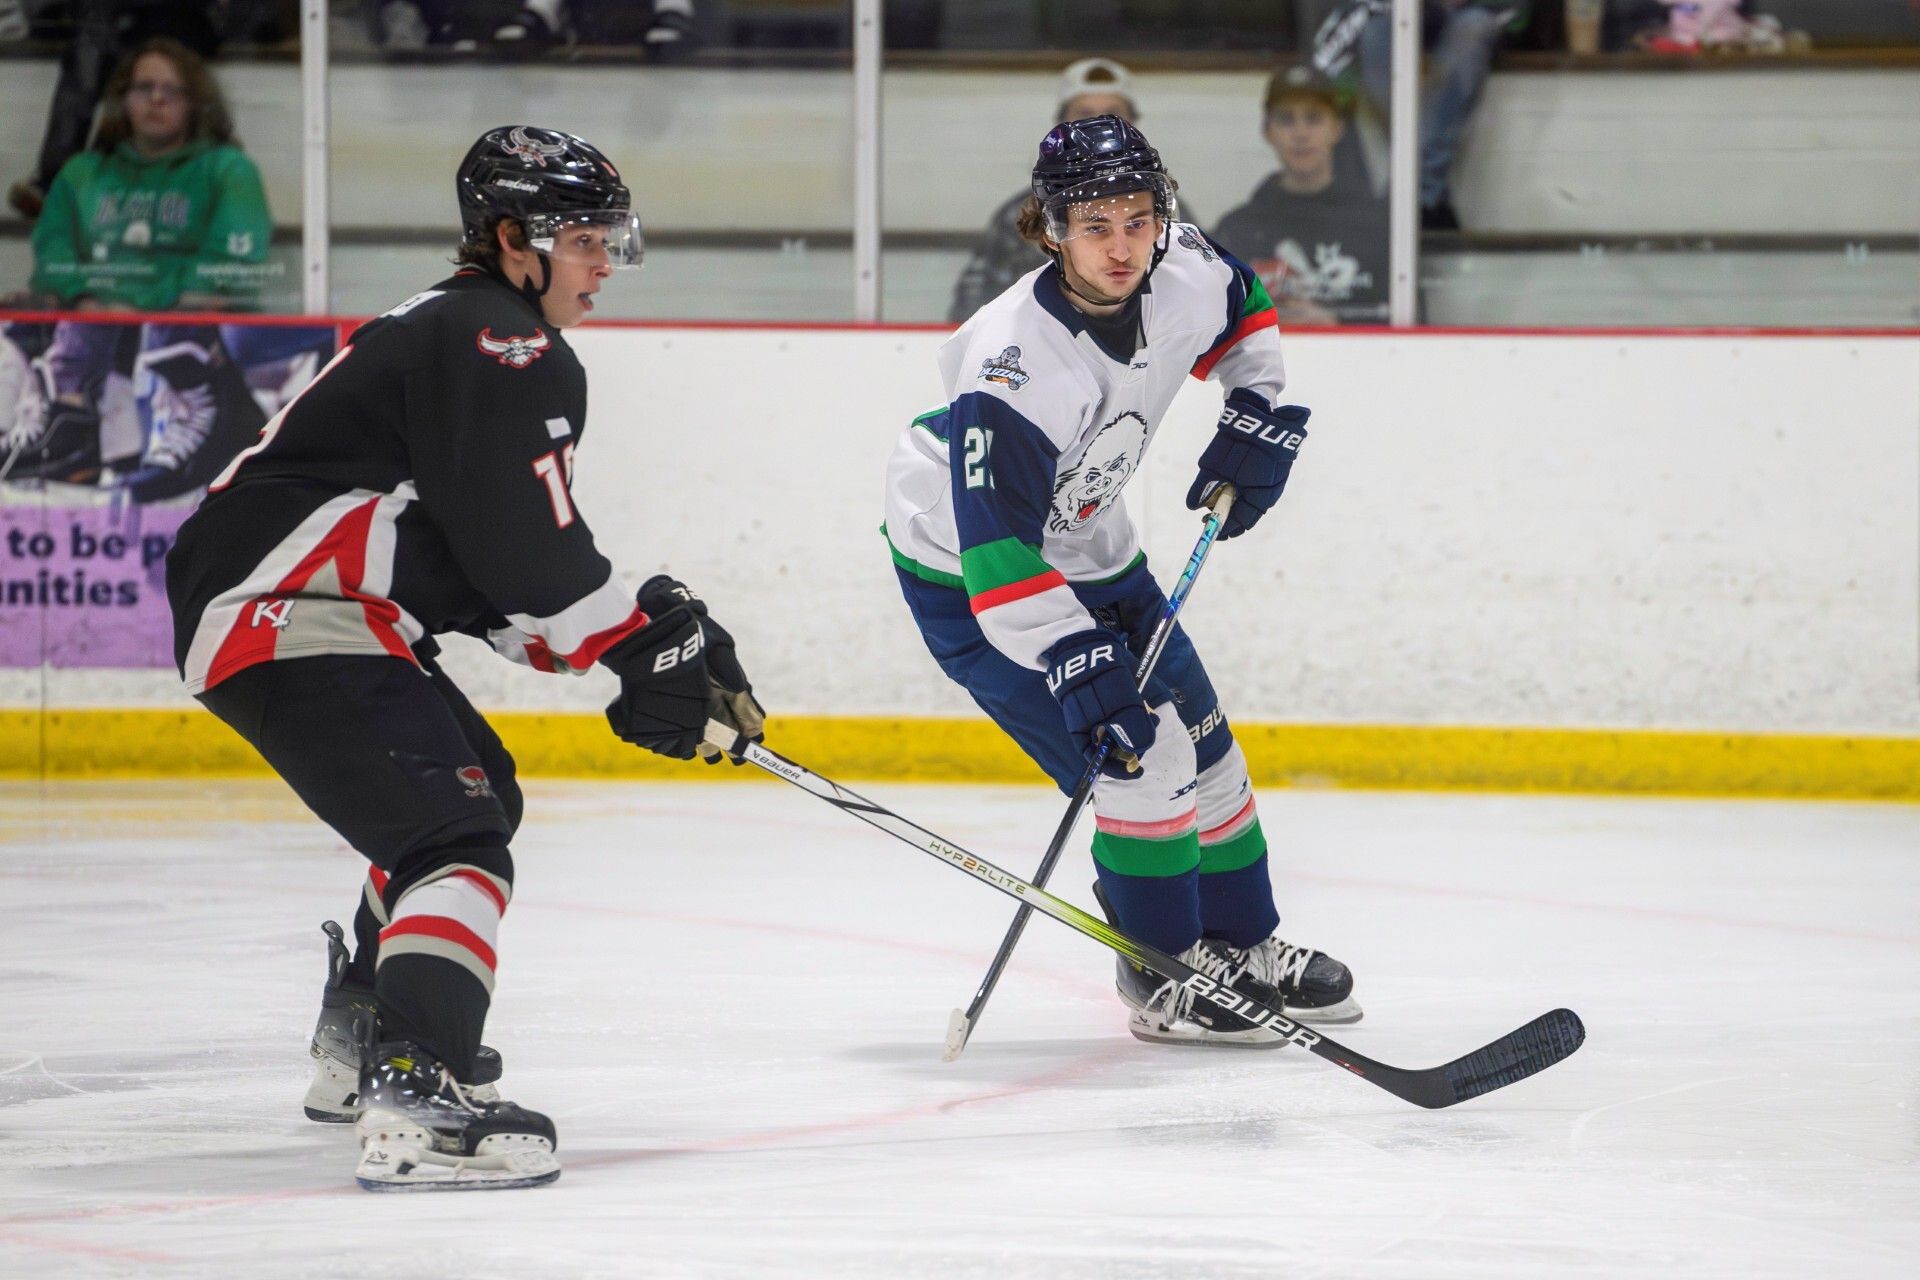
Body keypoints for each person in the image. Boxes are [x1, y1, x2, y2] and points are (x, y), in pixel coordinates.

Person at [164, 125, 767, 1191]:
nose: (602, 266)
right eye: (582, 239)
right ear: (510, 239)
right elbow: (526, 556)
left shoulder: (458, 330)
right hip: (289, 605)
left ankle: (364, 1031)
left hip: (315, 602)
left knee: (473, 794)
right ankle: (416, 1084)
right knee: (455, 834)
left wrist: (636, 632)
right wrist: (642, 639)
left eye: (610, 238)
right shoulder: (505, 340)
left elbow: (468, 563)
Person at [882, 115, 1360, 1048]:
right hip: (971, 575)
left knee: (1211, 753)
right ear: (1050, 226)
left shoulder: (1182, 261)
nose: (1122, 245)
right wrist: (1068, 652)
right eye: (1095, 226)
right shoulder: (1009, 363)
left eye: (1137, 220)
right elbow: (998, 558)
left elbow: (1246, 307)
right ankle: (1162, 972)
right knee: (1146, 761)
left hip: (1094, 545)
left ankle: (1243, 944)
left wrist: (1253, 413)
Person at [2, 36, 273, 489]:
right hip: (92, 323)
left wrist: (132, 306)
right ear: (121, 100)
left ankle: (178, 429)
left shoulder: (227, 170)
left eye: (172, 90)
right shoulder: (82, 173)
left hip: (179, 330)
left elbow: (232, 262)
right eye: (143, 87)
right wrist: (86, 298)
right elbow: (52, 255)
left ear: (196, 102)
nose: (157, 99)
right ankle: (66, 432)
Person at [947, 57, 1172, 324]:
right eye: (1084, 114)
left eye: (1113, 114)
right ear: (1061, 122)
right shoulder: (1015, 215)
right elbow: (974, 304)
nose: (1098, 125)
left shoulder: (1163, 205)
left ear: (1132, 122)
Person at [1212, 65, 1389, 327]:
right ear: (1267, 132)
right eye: (1286, 119)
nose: (1300, 134)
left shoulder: (1379, 226)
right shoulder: (1236, 231)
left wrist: (1336, 327)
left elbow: (1410, 321)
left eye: (1314, 118)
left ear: (1337, 129)